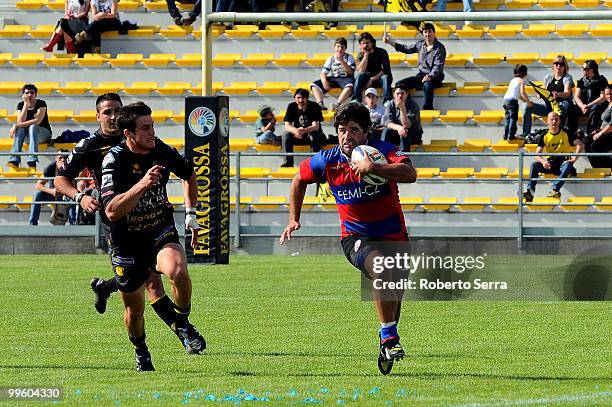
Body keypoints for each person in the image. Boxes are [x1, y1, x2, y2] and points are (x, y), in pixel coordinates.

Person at [55, 94, 204, 356]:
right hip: (121, 223)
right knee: (143, 288)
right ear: (98, 116)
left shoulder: (151, 142)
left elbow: (188, 173)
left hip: (156, 222)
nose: (112, 116)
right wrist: (80, 197)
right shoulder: (94, 148)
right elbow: (61, 179)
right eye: (107, 112)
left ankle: (183, 329)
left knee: (159, 278)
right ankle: (153, 344)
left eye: (117, 111)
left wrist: (191, 213)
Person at [280, 102, 417, 375]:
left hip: (395, 238)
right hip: (356, 237)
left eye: (353, 130)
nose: (347, 136)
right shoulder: (328, 159)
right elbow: (298, 179)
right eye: (342, 130)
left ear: (366, 132)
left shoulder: (384, 152)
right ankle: (390, 337)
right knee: (382, 269)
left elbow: (410, 174)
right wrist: (294, 218)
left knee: (393, 300)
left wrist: (375, 168)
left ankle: (386, 339)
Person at [100, 102, 205, 371]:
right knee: (134, 310)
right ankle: (141, 351)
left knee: (178, 272)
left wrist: (191, 214)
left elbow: (189, 174)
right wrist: (143, 183)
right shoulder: (114, 160)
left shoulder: (162, 150)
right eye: (145, 128)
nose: (152, 132)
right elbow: (112, 211)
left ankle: (181, 320)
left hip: (159, 228)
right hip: (126, 239)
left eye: (153, 126)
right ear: (128, 134)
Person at [523, 112, 584, 202]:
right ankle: (530, 192)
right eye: (552, 119)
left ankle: (554, 190)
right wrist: (544, 162)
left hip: (564, 165)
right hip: (552, 164)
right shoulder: (544, 135)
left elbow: (580, 144)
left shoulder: (566, 133)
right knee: (534, 165)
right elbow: (537, 154)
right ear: (547, 121)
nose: (554, 121)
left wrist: (574, 158)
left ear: (559, 121)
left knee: (568, 164)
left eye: (556, 119)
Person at [384, 22, 446, 111]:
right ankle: (406, 107)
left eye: (429, 31)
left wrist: (430, 76)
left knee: (427, 85)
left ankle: (427, 109)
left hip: (435, 77)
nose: (427, 34)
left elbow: (438, 66)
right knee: (400, 84)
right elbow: (406, 48)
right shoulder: (420, 44)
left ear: (434, 33)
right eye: (425, 32)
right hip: (421, 76)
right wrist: (390, 42)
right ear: (423, 34)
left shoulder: (440, 48)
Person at [522, 55, 574, 137]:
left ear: (565, 66)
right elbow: (544, 91)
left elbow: (567, 93)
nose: (559, 66)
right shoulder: (548, 77)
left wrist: (558, 94)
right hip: (549, 106)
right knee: (526, 105)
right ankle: (525, 134)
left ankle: (557, 134)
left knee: (560, 108)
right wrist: (539, 94)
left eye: (561, 64)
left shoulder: (567, 78)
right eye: (556, 63)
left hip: (561, 106)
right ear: (553, 65)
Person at [7, 84, 52, 170]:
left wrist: (15, 125)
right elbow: (21, 121)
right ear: (23, 95)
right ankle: (14, 160)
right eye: (27, 93)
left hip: (43, 134)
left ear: (36, 94)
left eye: (32, 92)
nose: (30, 95)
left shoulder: (41, 104)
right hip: (28, 135)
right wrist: (25, 104)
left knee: (32, 127)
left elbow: (37, 121)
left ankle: (32, 160)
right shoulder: (20, 105)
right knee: (20, 129)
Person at [281, 88, 326, 167]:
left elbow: (315, 126)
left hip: (313, 134)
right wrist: (296, 131)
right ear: (295, 98)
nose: (301, 100)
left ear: (307, 98)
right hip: (298, 135)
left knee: (314, 135)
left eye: (303, 98)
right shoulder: (291, 106)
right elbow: (287, 125)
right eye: (298, 98)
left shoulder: (314, 106)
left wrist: (303, 130)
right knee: (286, 135)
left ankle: (315, 162)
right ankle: (288, 162)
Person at [29, 150, 76, 225]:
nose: (63, 160)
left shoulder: (72, 167)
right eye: (60, 158)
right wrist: (51, 191)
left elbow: (75, 186)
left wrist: (66, 192)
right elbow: (38, 185)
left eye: (65, 157)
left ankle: (73, 225)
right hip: (53, 194)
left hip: (67, 194)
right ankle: (32, 224)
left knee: (74, 199)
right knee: (38, 195)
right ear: (56, 159)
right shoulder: (51, 167)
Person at [310, 37, 355, 110]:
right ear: (334, 47)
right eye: (338, 46)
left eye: (342, 47)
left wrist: (342, 61)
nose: (340, 49)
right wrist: (324, 81)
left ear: (345, 48)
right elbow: (323, 72)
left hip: (346, 78)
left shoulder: (349, 57)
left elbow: (350, 72)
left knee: (350, 86)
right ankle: (320, 103)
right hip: (334, 78)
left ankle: (337, 104)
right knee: (314, 85)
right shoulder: (331, 58)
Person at [352, 32, 392, 104]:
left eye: (367, 43)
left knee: (385, 77)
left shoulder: (382, 52)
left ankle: (388, 101)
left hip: (379, 78)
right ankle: (356, 100)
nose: (365, 45)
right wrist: (366, 56)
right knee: (359, 76)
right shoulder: (360, 55)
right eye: (362, 43)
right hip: (366, 79)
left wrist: (372, 79)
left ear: (372, 43)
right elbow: (361, 70)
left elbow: (385, 70)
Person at [382, 84, 423, 152]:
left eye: (402, 93)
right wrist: (399, 128)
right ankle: (384, 155)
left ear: (406, 94)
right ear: (393, 95)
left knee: (405, 131)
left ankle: (403, 159)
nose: (400, 96)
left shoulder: (413, 105)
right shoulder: (390, 104)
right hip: (398, 133)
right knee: (386, 131)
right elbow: (387, 123)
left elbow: (407, 125)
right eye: (397, 94)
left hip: (413, 135)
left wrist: (402, 108)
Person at [574, 59, 609, 136]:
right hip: (584, 106)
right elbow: (576, 97)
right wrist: (582, 106)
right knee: (572, 109)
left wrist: (589, 105)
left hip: (597, 105)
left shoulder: (601, 80)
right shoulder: (581, 81)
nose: (582, 70)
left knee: (595, 108)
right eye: (582, 68)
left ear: (591, 70)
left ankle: (591, 133)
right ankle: (572, 134)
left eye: (584, 68)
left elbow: (602, 97)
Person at [584, 85, 612, 169]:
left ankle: (608, 166)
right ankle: (596, 167)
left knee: (594, 146)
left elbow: (611, 126)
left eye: (611, 94)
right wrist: (598, 130)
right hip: (604, 131)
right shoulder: (609, 104)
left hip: (610, 134)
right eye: (607, 94)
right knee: (586, 141)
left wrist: (599, 134)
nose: (609, 96)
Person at [503, 64, 531, 140]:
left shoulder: (513, 80)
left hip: (506, 100)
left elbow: (518, 95)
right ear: (523, 73)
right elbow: (522, 93)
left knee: (507, 118)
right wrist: (528, 101)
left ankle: (506, 135)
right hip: (512, 102)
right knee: (513, 118)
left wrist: (525, 100)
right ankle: (511, 135)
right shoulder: (521, 81)